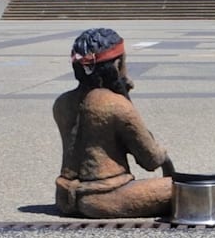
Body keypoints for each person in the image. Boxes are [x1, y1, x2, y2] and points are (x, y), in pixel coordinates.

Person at [52, 28, 176, 219]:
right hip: (105, 197)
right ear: (117, 66)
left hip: (64, 196)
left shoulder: (61, 103)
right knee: (184, 190)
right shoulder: (115, 105)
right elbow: (150, 160)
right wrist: (166, 160)